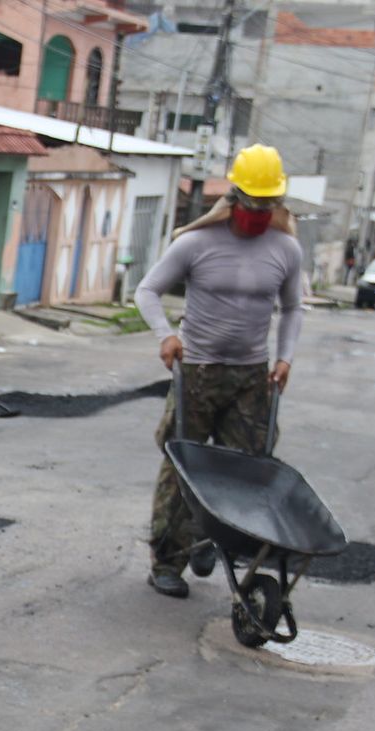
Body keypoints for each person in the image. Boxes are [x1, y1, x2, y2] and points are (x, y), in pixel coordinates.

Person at [134, 144, 305, 599]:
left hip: (252, 375)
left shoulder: (285, 248)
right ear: (234, 197)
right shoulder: (195, 243)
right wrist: (165, 336)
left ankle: (212, 540)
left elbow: (292, 309)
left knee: (244, 470)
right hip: (197, 373)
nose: (259, 214)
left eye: (269, 205)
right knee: (182, 464)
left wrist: (285, 357)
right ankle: (167, 561)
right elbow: (147, 291)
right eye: (252, 204)